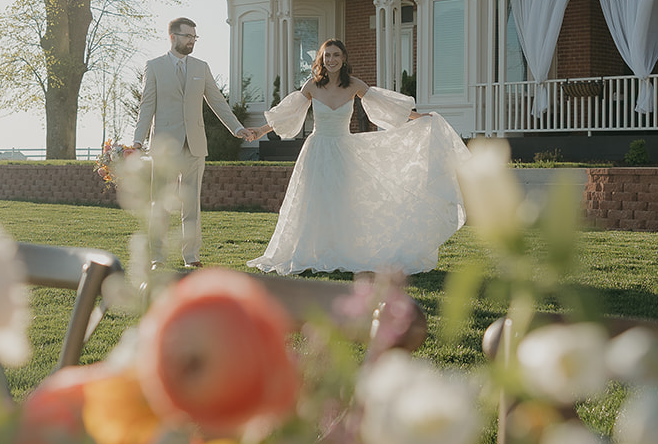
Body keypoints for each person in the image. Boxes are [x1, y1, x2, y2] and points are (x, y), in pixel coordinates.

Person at [248, 38, 469, 276]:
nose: (331, 60)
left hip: (343, 151)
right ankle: (311, 251)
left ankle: (342, 249)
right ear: (321, 59)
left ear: (343, 59)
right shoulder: (312, 86)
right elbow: (285, 114)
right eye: (327, 56)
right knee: (313, 200)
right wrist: (260, 131)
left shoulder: (354, 85)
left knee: (342, 200)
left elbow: (386, 108)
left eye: (336, 55)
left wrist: (419, 118)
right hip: (317, 151)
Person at [133, 17, 254, 268]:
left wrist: (237, 128)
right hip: (165, 148)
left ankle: (192, 257)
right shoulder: (154, 66)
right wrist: (137, 140)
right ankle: (158, 257)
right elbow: (147, 106)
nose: (192, 41)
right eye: (188, 36)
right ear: (173, 37)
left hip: (195, 146)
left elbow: (217, 101)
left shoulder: (201, 67)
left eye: (194, 37)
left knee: (191, 205)